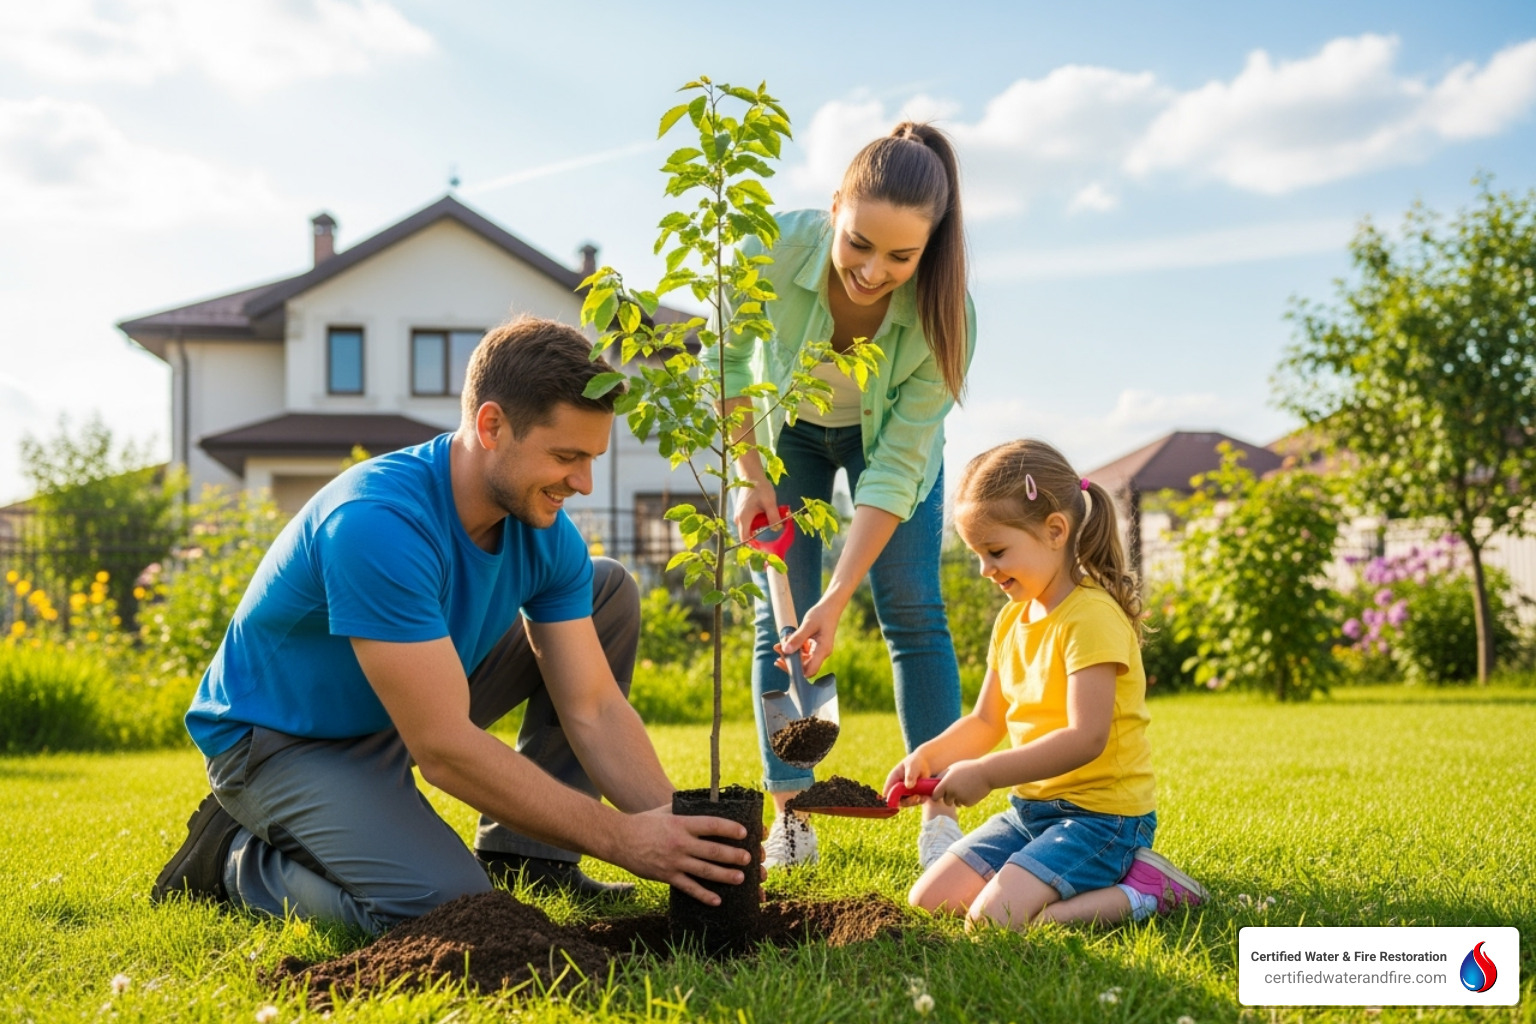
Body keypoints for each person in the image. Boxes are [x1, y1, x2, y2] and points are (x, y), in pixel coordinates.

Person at [150, 316, 753, 934]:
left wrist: (676, 836)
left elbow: (593, 707)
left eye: (592, 458)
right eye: (566, 456)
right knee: (454, 913)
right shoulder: (376, 522)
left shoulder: (544, 534)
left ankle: (532, 855)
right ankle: (236, 861)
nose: (583, 482)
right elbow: (442, 749)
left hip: (402, 710)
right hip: (284, 742)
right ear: (492, 426)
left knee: (606, 591)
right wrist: (623, 840)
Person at [723, 122, 975, 870]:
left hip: (886, 445)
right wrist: (749, 474)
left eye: (902, 256)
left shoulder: (945, 315)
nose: (872, 271)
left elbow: (896, 466)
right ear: (835, 207)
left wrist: (840, 593)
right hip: (785, 434)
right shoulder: (770, 248)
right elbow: (729, 361)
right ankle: (792, 814)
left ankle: (938, 810)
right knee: (782, 624)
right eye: (859, 242)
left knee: (914, 612)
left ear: (928, 249)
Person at [891, 439, 1207, 930]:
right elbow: (985, 720)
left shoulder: (1091, 617)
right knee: (929, 900)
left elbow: (1087, 737)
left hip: (1103, 820)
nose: (985, 569)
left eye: (995, 551)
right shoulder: (1011, 620)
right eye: (978, 554)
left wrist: (989, 773)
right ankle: (1061, 884)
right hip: (1032, 813)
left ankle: (1148, 890)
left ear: (1055, 530)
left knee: (993, 924)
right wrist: (928, 758)